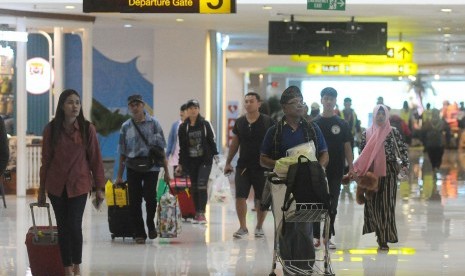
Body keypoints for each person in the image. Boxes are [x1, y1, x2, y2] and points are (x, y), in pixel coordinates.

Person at [38, 89, 105, 276]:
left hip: (79, 185)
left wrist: (99, 188)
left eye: (77, 102)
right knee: (63, 227)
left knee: (74, 225)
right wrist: (41, 190)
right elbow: (46, 161)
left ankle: (77, 265)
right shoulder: (51, 130)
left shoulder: (87, 128)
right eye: (70, 102)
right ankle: (67, 268)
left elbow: (95, 159)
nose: (75, 106)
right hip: (56, 186)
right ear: (62, 106)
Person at [260, 86, 329, 261]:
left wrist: (318, 169)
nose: (300, 105)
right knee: (285, 227)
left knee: (304, 226)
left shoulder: (312, 129)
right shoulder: (274, 132)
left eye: (301, 101)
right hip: (282, 185)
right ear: (284, 107)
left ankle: (305, 266)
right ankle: (288, 266)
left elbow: (324, 154)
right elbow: (263, 159)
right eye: (295, 102)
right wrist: (283, 164)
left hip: (307, 184)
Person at [353, 104, 409, 251]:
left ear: (387, 116)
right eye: (378, 114)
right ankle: (379, 231)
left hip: (389, 172)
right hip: (371, 175)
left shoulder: (393, 132)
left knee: (387, 205)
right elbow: (362, 154)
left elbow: (402, 150)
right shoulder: (367, 133)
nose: (380, 117)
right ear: (374, 115)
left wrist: (404, 166)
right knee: (373, 204)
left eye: (383, 114)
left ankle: (384, 237)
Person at [116, 94, 170, 244]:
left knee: (150, 198)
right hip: (132, 166)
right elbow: (122, 152)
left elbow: (161, 150)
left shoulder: (154, 123)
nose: (135, 107)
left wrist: (167, 172)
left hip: (151, 166)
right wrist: (119, 175)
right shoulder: (125, 126)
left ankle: (150, 224)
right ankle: (139, 232)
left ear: (143, 105)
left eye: (137, 104)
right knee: (134, 200)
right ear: (129, 107)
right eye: (132, 105)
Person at [224, 92, 273, 239]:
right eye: (246, 101)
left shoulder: (267, 121)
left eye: (251, 101)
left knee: (261, 199)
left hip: (262, 166)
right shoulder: (239, 122)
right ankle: (243, 227)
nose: (248, 104)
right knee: (240, 196)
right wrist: (228, 162)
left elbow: (274, 143)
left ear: (259, 103)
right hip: (243, 165)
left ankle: (259, 226)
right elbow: (235, 143)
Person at [313, 87, 355, 250]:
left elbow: (347, 147)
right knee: (316, 203)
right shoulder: (314, 124)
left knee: (333, 204)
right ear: (322, 100)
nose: (329, 101)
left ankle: (327, 236)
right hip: (317, 171)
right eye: (326, 98)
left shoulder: (342, 124)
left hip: (336, 170)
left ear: (335, 101)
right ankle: (315, 236)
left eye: (332, 98)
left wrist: (351, 167)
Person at [176, 99, 218, 224]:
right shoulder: (183, 127)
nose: (193, 110)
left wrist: (216, 157)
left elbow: (211, 141)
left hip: (205, 160)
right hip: (191, 161)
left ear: (199, 109)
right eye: (190, 108)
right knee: (194, 187)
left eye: (195, 108)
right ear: (187, 111)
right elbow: (182, 147)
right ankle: (196, 212)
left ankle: (201, 213)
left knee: (201, 184)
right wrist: (180, 163)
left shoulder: (205, 124)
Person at [166, 103, 188, 175]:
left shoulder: (192, 125)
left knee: (189, 182)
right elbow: (170, 141)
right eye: (185, 111)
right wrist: (166, 156)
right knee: (178, 182)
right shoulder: (175, 125)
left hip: (188, 159)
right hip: (176, 157)